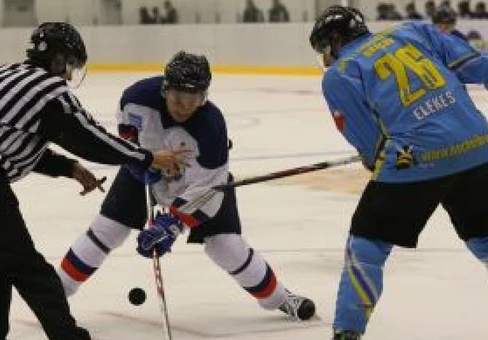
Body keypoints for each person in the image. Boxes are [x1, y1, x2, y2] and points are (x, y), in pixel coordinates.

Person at [0, 22, 187, 340]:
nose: (70, 76)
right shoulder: (50, 92)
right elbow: (90, 137)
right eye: (70, 65)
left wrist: (67, 167)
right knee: (29, 268)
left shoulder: (1, 74)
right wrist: (147, 157)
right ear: (58, 61)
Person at [297, 5, 488, 340]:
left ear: (333, 42)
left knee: (367, 244)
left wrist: (380, 158)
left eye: (324, 50)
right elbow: (486, 66)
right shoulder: (412, 32)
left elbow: (372, 146)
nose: (326, 59)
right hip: (476, 146)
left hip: (416, 156)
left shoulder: (341, 73)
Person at [56, 50, 317, 324]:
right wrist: (139, 166)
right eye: (178, 98)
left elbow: (208, 190)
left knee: (225, 246)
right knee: (107, 229)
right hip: (146, 166)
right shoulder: (136, 98)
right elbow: (127, 140)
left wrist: (172, 223)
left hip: (196, 183)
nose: (184, 106)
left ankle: (280, 298)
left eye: (193, 100)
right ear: (165, 89)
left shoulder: (211, 127)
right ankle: (55, 292)